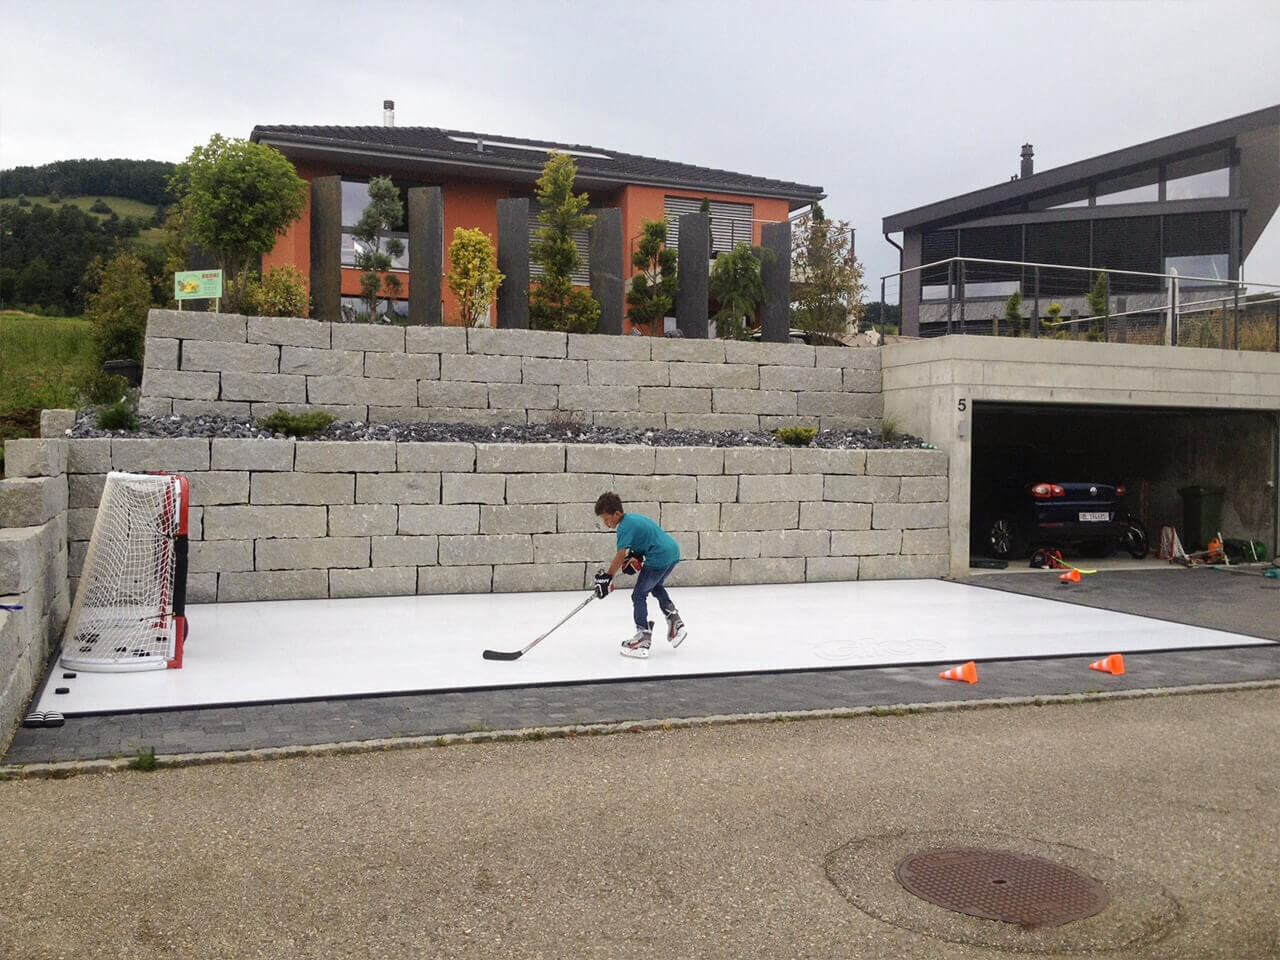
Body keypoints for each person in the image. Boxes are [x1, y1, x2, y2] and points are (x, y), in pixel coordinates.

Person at [592, 491, 687, 658]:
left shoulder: (624, 527)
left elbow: (621, 554)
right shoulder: (633, 519)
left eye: (607, 519)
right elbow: (645, 540)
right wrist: (635, 556)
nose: (606, 523)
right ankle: (675, 622)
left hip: (658, 557)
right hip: (672, 552)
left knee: (638, 595)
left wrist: (608, 577)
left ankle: (642, 636)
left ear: (617, 513)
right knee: (656, 586)